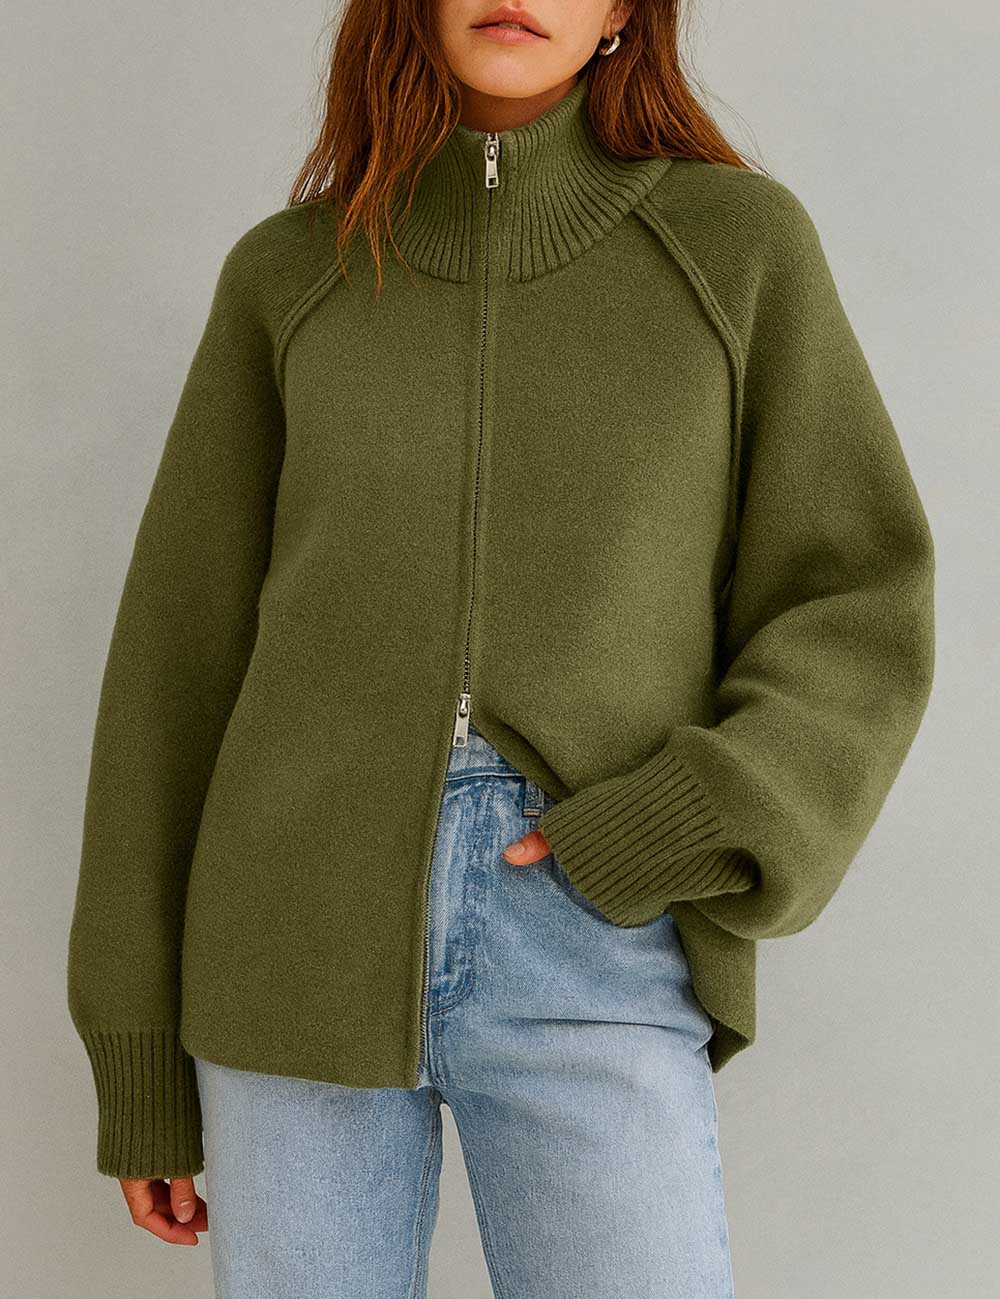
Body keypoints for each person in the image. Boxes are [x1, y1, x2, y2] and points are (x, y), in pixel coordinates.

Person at [65, 1, 936, 1295]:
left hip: (590, 922)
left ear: (623, 13)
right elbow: (171, 671)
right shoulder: (290, 279)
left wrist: (691, 818)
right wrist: (137, 1051)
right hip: (288, 944)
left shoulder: (737, 251)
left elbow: (856, 603)